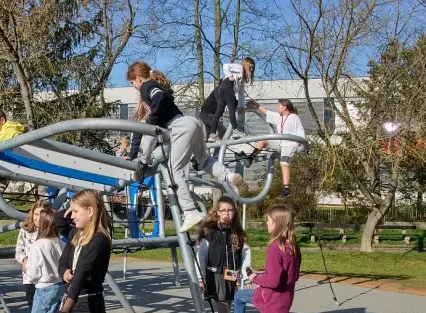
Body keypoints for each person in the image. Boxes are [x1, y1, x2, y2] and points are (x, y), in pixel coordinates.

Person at [126, 61, 245, 233]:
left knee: (176, 170)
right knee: (203, 160)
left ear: (137, 78)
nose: (134, 87)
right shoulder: (159, 92)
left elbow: (151, 130)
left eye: (132, 83)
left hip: (181, 128)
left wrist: (142, 162)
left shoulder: (146, 87)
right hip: (194, 123)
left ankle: (189, 211)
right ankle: (229, 175)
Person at [196, 196, 251, 313]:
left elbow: (245, 255)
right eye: (224, 210)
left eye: (230, 210)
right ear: (217, 212)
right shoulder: (209, 232)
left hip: (232, 278)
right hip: (214, 277)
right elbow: (201, 256)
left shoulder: (238, 233)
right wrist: (201, 278)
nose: (227, 214)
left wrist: (247, 276)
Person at [17, 200, 53, 313]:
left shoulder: (50, 232)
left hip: (46, 279)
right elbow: (19, 250)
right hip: (30, 278)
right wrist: (24, 259)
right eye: (36, 214)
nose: (38, 217)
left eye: (41, 214)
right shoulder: (25, 231)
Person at [247, 99, 306, 198]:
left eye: (279, 106)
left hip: (290, 143)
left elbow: (301, 133)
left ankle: (286, 189)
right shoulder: (279, 117)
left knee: (284, 163)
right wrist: (256, 105)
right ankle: (250, 158)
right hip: (280, 142)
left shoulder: (294, 117)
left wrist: (302, 145)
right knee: (262, 141)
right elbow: (267, 112)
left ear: (285, 107)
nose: (277, 108)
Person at [200, 58, 256, 142]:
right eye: (250, 67)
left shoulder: (240, 81)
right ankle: (235, 130)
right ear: (246, 65)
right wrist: (230, 75)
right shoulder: (239, 68)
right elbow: (226, 66)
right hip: (207, 111)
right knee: (231, 108)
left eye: (252, 69)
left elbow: (241, 94)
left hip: (216, 104)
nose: (250, 71)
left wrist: (241, 106)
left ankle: (212, 134)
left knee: (220, 111)